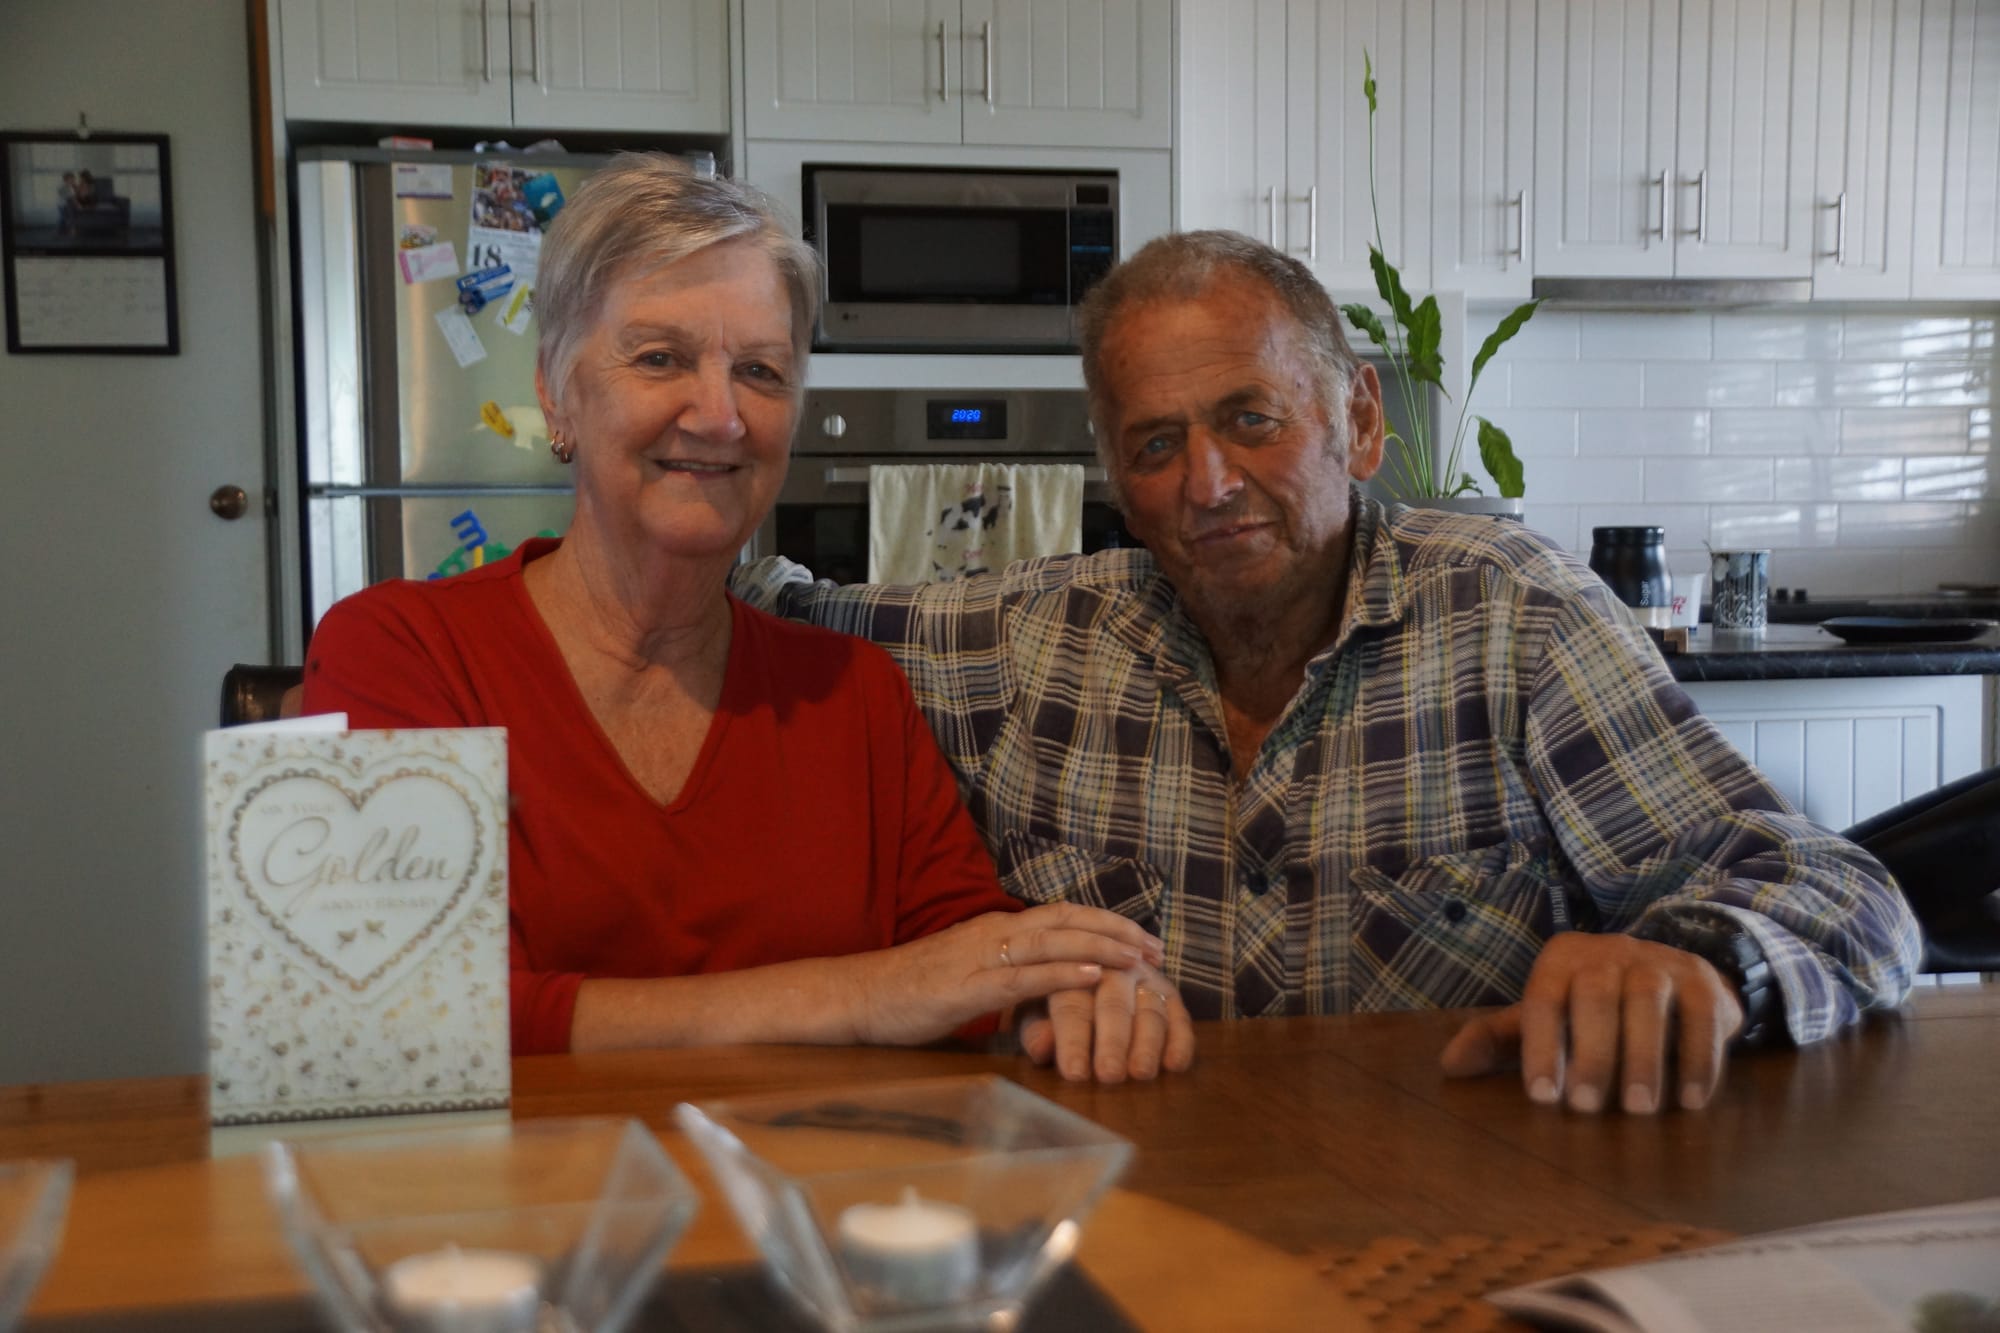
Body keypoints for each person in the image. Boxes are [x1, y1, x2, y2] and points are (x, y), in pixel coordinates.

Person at [733, 229, 1923, 1112]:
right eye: (1155, 444)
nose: (1204, 483)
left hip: (1461, 1220)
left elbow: (1834, 890)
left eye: (1250, 420)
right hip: (1144, 1235)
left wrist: (1695, 960)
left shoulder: (1511, 619)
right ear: (1111, 472)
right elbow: (758, 606)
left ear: (1356, 419)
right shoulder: (1024, 645)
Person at [303, 154, 1194, 1079]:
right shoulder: (401, 652)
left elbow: (962, 949)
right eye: (661, 358)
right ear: (556, 388)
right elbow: (385, 1015)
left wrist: (1071, 987)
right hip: (516, 1214)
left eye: (762, 372)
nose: (721, 415)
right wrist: (857, 996)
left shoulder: (849, 694)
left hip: (812, 1204)